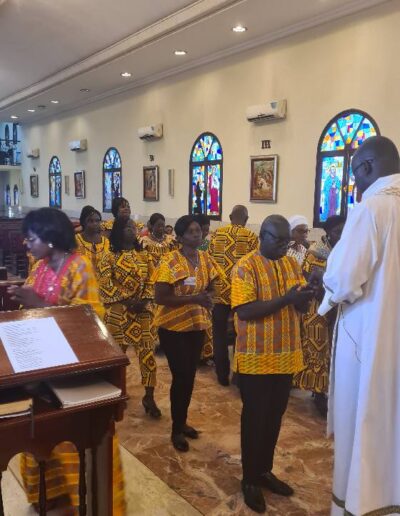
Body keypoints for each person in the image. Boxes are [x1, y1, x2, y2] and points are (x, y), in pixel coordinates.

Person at [8, 208, 125, 514]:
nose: (26, 244)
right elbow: (30, 310)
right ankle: (50, 495)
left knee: (70, 441)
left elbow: (91, 320)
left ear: (50, 238)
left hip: (73, 370)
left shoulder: (79, 267)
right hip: (40, 364)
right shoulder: (40, 266)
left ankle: (83, 499)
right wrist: (21, 300)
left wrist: (39, 303)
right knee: (39, 437)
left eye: (31, 238)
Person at [318, 136, 400, 516]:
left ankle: (359, 504)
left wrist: (326, 288)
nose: (355, 183)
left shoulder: (372, 208)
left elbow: (344, 278)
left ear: (366, 167)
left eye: (355, 174)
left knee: (366, 417)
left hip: (371, 337)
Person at [231, 215, 315, 513]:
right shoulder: (245, 267)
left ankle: (264, 471)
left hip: (286, 354)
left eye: (286, 241)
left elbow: (299, 305)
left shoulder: (291, 264)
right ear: (262, 237)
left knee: (275, 416)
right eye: (278, 241)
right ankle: (249, 479)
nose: (284, 246)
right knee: (255, 419)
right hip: (256, 358)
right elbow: (245, 311)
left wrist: (308, 294)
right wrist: (286, 299)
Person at [154, 215, 221, 452]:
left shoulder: (205, 258)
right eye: (191, 231)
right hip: (173, 328)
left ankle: (182, 422)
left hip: (196, 325)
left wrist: (208, 296)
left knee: (190, 376)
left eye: (198, 231)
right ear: (180, 236)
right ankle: (176, 430)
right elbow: (160, 297)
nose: (196, 234)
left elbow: (212, 285)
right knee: (181, 377)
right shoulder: (169, 261)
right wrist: (194, 298)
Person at [99, 217, 161, 418]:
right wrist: (126, 301)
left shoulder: (144, 255)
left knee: (148, 355)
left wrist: (144, 300)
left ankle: (149, 396)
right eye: (126, 227)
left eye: (133, 227)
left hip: (143, 312)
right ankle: (116, 394)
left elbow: (152, 279)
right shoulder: (109, 256)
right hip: (119, 312)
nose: (131, 230)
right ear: (117, 231)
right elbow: (105, 285)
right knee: (117, 357)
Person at [292, 215, 345, 416]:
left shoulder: (344, 250)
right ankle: (319, 393)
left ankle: (330, 390)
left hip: (337, 306)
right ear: (327, 232)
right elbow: (311, 281)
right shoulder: (316, 252)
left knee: (333, 350)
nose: (341, 235)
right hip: (317, 307)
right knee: (318, 350)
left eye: (344, 231)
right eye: (337, 231)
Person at [208, 205, 258, 386]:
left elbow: (209, 261)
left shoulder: (217, 234)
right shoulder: (251, 237)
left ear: (230, 217)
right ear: (246, 219)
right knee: (241, 333)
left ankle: (222, 374)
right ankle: (239, 374)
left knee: (219, 333)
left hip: (219, 292)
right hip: (241, 292)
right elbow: (255, 265)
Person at [75, 205, 110, 277]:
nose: (95, 223)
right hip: (83, 280)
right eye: (90, 221)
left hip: (104, 281)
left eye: (97, 221)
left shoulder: (105, 241)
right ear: (84, 222)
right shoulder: (76, 240)